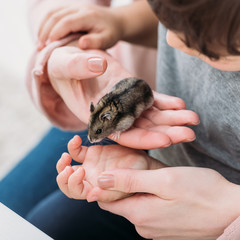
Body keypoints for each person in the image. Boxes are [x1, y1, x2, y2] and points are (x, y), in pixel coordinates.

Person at [33, 0, 240, 239]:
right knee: (41, 224)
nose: (170, 41)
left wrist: (228, 214)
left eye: (206, 46)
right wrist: (120, 22)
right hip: (157, 148)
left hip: (216, 212)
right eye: (166, 21)